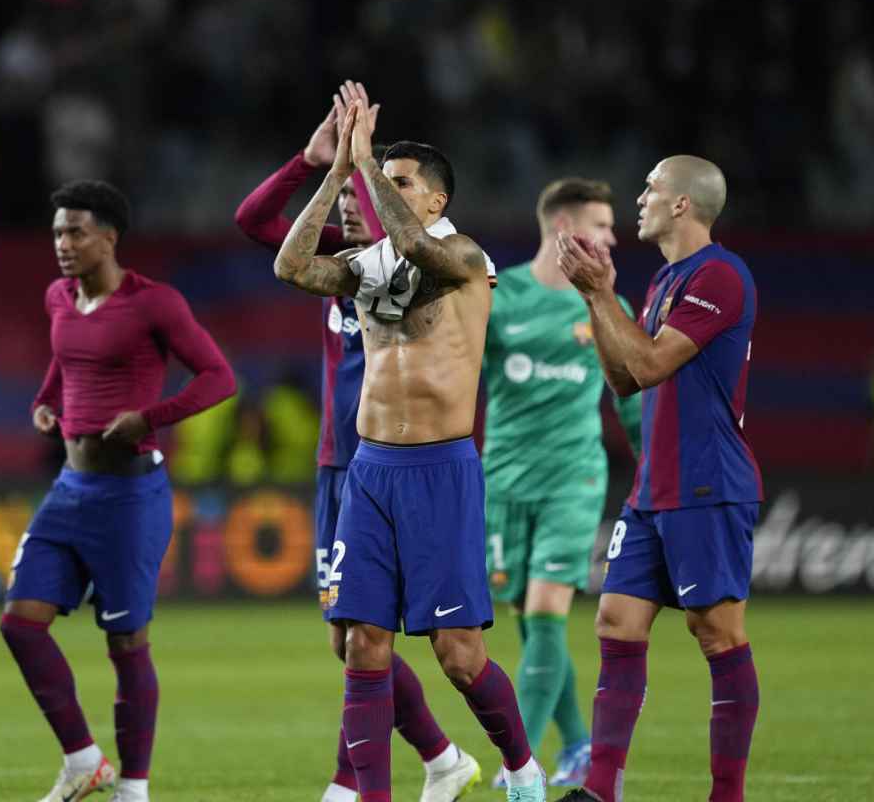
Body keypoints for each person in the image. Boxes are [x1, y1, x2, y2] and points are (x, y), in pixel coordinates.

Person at [274, 88, 545, 802]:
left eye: (399, 183)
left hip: (440, 471)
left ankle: (521, 767)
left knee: (458, 656)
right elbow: (292, 268)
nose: (380, 191)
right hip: (370, 470)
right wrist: (336, 174)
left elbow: (421, 248)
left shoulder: (463, 253)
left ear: (434, 199)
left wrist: (367, 163)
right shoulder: (368, 267)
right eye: (381, 179)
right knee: (362, 642)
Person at [235, 83, 483, 802]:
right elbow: (254, 222)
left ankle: (354, 780)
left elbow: (407, 232)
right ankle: (438, 758)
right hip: (340, 461)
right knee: (347, 637)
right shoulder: (339, 262)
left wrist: (363, 163)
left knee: (372, 634)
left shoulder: (414, 264)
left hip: (407, 458)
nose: (347, 204)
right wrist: (316, 162)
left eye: (357, 193)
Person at [7, 178, 237, 802]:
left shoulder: (153, 303)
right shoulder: (59, 297)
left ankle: (134, 788)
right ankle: (84, 760)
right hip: (69, 488)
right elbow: (64, 360)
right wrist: (46, 401)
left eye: (75, 231)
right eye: (57, 231)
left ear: (109, 237)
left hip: (129, 496)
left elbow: (220, 376)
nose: (62, 242)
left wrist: (152, 417)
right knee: (19, 623)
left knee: (125, 643)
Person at [553, 155, 761, 802]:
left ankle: (726, 795)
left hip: (707, 481)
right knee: (615, 621)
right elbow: (624, 381)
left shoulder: (719, 275)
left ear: (681, 204)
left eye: (649, 188)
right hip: (656, 484)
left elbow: (646, 365)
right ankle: (601, 789)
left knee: (717, 631)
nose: (638, 198)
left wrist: (595, 294)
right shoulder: (667, 280)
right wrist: (601, 297)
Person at [481, 178, 641, 790]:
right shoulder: (500, 296)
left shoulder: (604, 304)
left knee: (547, 615)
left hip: (573, 479)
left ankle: (516, 763)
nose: (612, 237)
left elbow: (630, 394)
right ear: (562, 228)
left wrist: (648, 461)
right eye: (600, 226)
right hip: (504, 480)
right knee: (526, 618)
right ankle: (577, 742)